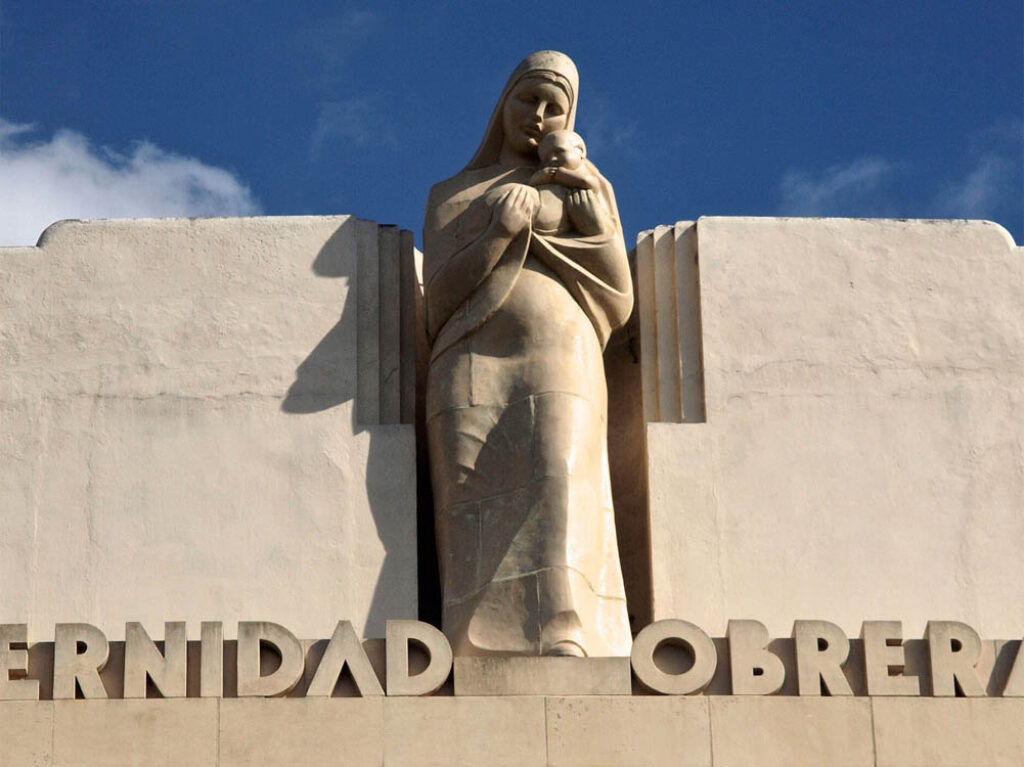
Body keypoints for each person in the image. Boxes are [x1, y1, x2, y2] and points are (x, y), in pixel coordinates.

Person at [423, 50, 633, 658]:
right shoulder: (454, 195)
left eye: (555, 106)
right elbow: (438, 302)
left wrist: (587, 217)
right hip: (467, 365)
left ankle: (563, 630)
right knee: (468, 501)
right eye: (528, 99)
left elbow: (618, 297)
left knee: (558, 483)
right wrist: (498, 232)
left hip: (559, 358)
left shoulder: (587, 190)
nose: (538, 116)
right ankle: (471, 644)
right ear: (503, 104)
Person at [529, 129, 608, 236]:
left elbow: (589, 182)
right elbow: (531, 184)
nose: (552, 159)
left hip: (579, 219)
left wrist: (562, 176)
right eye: (546, 158)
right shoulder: (545, 175)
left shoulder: (585, 173)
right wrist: (539, 178)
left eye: (559, 152)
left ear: (580, 151)